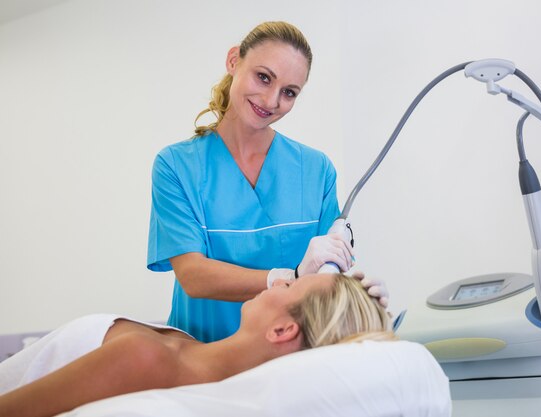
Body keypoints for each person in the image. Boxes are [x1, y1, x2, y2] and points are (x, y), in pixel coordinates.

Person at [147, 21, 362, 343]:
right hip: (201, 357)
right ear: (234, 61)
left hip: (287, 357)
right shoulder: (177, 166)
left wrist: (360, 296)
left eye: (289, 93)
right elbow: (194, 276)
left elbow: (327, 276)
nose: (272, 100)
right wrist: (287, 277)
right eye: (263, 77)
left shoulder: (315, 170)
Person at [0, 273, 394, 417]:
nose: (276, 281)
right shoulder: (189, 350)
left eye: (289, 285)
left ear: (281, 332)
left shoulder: (147, 358)